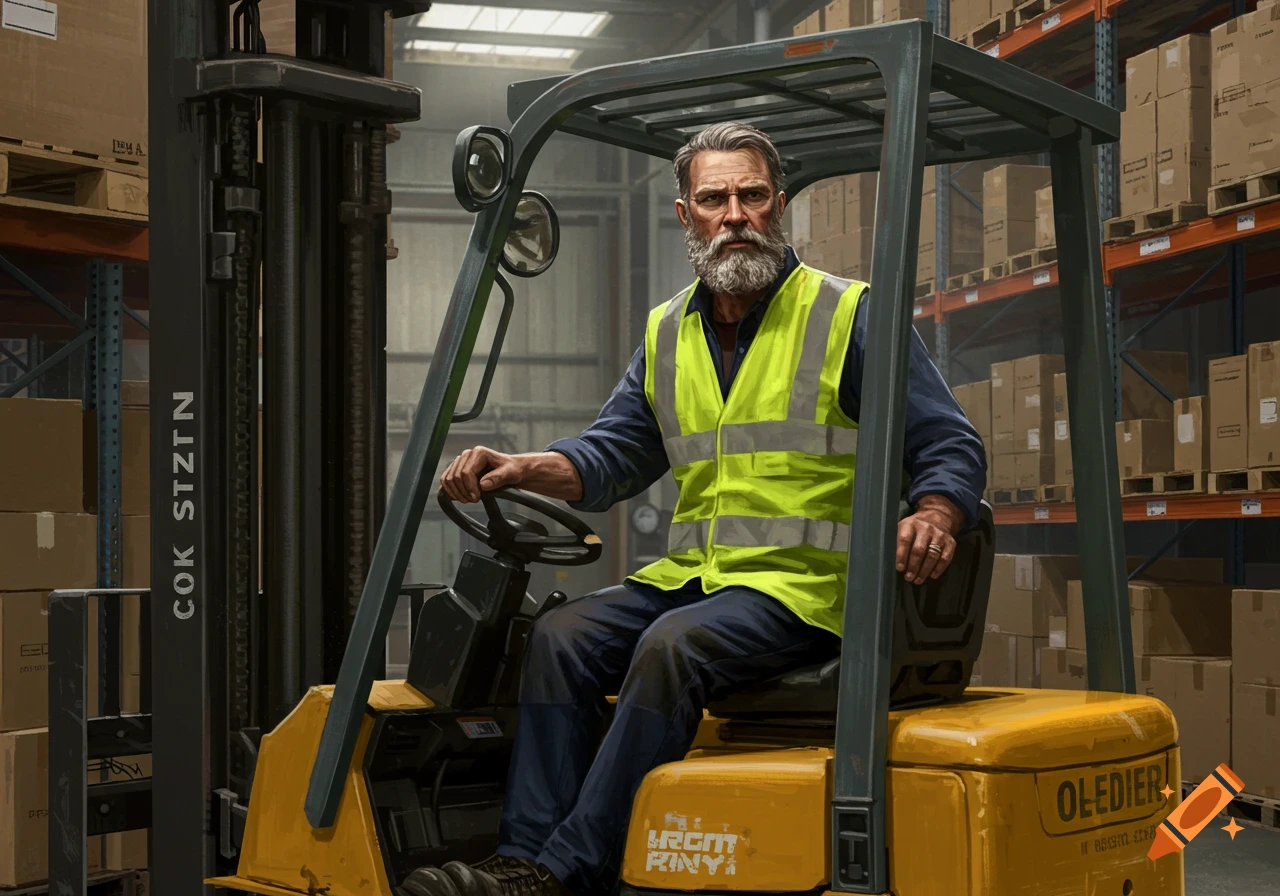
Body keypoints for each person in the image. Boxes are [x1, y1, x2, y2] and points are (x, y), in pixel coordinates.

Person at [408, 122, 986, 896]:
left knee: (669, 649)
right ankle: (520, 857)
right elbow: (611, 455)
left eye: (751, 195)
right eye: (715, 198)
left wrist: (939, 512)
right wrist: (520, 468)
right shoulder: (667, 331)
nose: (735, 213)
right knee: (561, 635)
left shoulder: (848, 315)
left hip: (810, 589)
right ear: (687, 216)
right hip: (703, 578)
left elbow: (948, 440)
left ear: (778, 205)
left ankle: (564, 871)